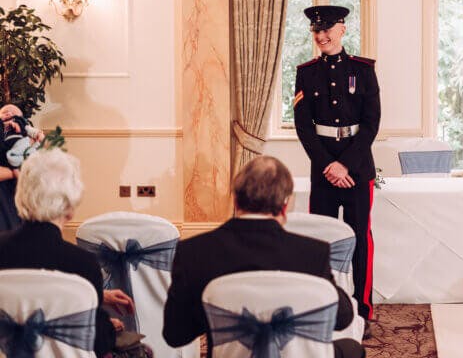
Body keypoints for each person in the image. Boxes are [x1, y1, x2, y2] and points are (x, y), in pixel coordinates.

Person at [163, 155, 365, 358]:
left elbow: (175, 335)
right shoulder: (312, 253)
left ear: (235, 199)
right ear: (285, 206)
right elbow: (343, 317)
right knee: (352, 349)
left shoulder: (193, 251)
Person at [0, 149, 142, 357]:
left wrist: (97, 298)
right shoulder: (82, 264)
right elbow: (98, 342)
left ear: (20, 197)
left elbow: (24, 295)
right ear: (70, 208)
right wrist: (105, 325)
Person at [294, 5, 381, 334]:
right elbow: (304, 127)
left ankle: (362, 310)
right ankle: (326, 306)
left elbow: (371, 125)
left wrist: (346, 164)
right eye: (317, 30)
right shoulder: (306, 72)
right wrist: (329, 164)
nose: (322, 35)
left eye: (328, 28)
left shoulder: (364, 70)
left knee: (360, 240)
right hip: (323, 169)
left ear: (343, 29)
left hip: (358, 169)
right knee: (323, 241)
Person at [0, 103, 45, 168]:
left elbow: (33, 131)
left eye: (13, 114)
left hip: (18, 150)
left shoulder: (21, 125)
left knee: (31, 154)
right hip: (3, 154)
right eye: (4, 112)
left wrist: (39, 134)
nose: (9, 114)